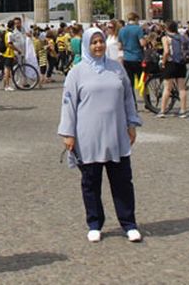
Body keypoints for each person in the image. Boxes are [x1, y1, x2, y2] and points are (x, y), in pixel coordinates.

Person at [58, 27, 142, 244]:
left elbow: (127, 98)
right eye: (94, 42)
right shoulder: (76, 72)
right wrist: (68, 132)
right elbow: (68, 104)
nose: (98, 46)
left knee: (122, 181)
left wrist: (132, 123)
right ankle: (94, 223)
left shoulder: (116, 69)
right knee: (91, 182)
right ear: (87, 44)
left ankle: (129, 223)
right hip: (88, 135)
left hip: (116, 133)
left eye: (101, 41)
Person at [157, 21, 189, 118]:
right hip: (181, 63)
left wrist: (163, 61)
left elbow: (166, 51)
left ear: (167, 28)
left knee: (167, 88)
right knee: (182, 88)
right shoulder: (182, 37)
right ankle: (183, 111)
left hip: (170, 63)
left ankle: (162, 111)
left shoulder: (166, 38)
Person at [119, 13, 145, 104]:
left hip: (127, 59)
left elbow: (119, 46)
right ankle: (148, 102)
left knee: (130, 84)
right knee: (143, 81)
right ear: (136, 19)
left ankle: (133, 103)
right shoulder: (138, 29)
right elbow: (142, 43)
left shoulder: (122, 30)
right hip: (138, 58)